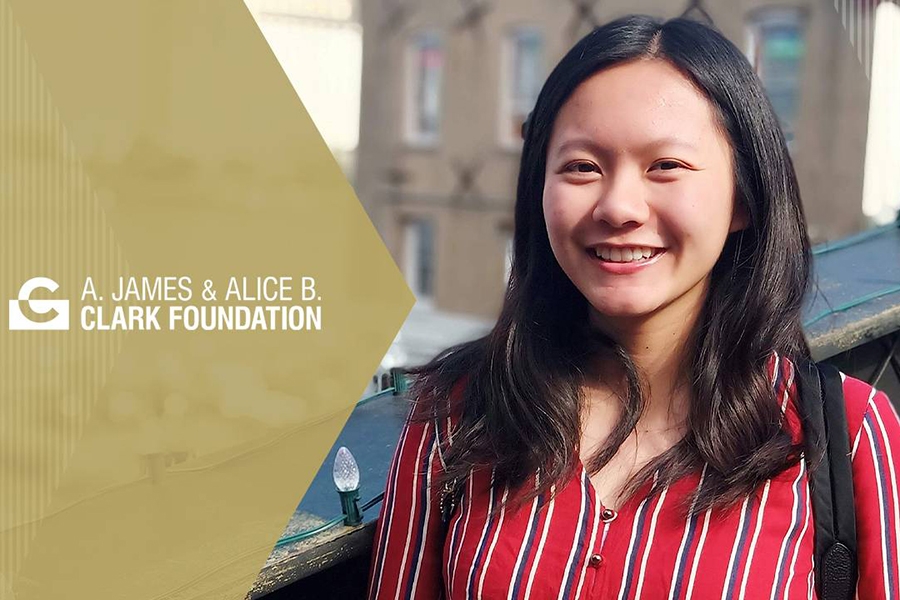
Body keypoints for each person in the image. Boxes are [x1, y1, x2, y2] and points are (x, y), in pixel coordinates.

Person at [367, 14, 900, 600]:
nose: (619, 206)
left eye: (665, 167)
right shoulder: (457, 412)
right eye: (581, 167)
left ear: (743, 198)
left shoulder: (846, 433)